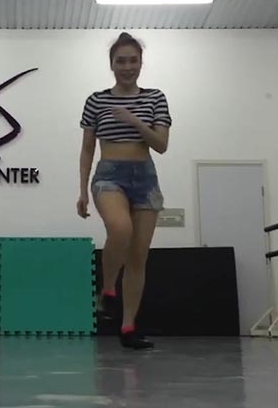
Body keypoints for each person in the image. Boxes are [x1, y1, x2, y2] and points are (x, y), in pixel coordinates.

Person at [77, 33, 172, 350]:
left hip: (145, 177)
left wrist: (136, 121)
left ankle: (128, 326)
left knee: (138, 257)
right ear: (112, 64)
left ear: (141, 63)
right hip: (109, 175)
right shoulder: (96, 100)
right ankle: (107, 290)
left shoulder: (155, 98)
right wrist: (82, 190)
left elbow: (161, 145)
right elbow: (87, 148)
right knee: (120, 229)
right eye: (121, 61)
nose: (127, 66)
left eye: (133, 60)